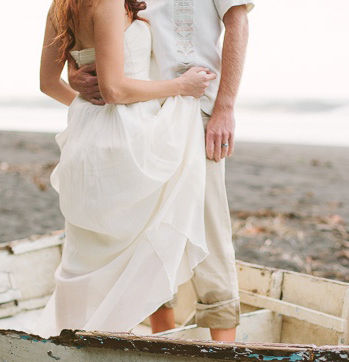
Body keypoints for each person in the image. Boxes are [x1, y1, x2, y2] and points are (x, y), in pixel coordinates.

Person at [69, 0, 253, 341]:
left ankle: (226, 350)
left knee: (209, 225)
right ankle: (159, 338)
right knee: (147, 228)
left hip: (197, 109)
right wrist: (75, 74)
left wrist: (225, 107)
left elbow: (237, 24)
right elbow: (113, 34)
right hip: (141, 114)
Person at [33, 0, 218, 336]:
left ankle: (73, 335)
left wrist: (84, 103)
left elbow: (48, 83)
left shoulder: (60, 6)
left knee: (85, 254)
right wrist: (181, 87)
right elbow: (115, 89)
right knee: (134, 246)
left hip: (86, 137)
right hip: (124, 140)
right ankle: (115, 335)